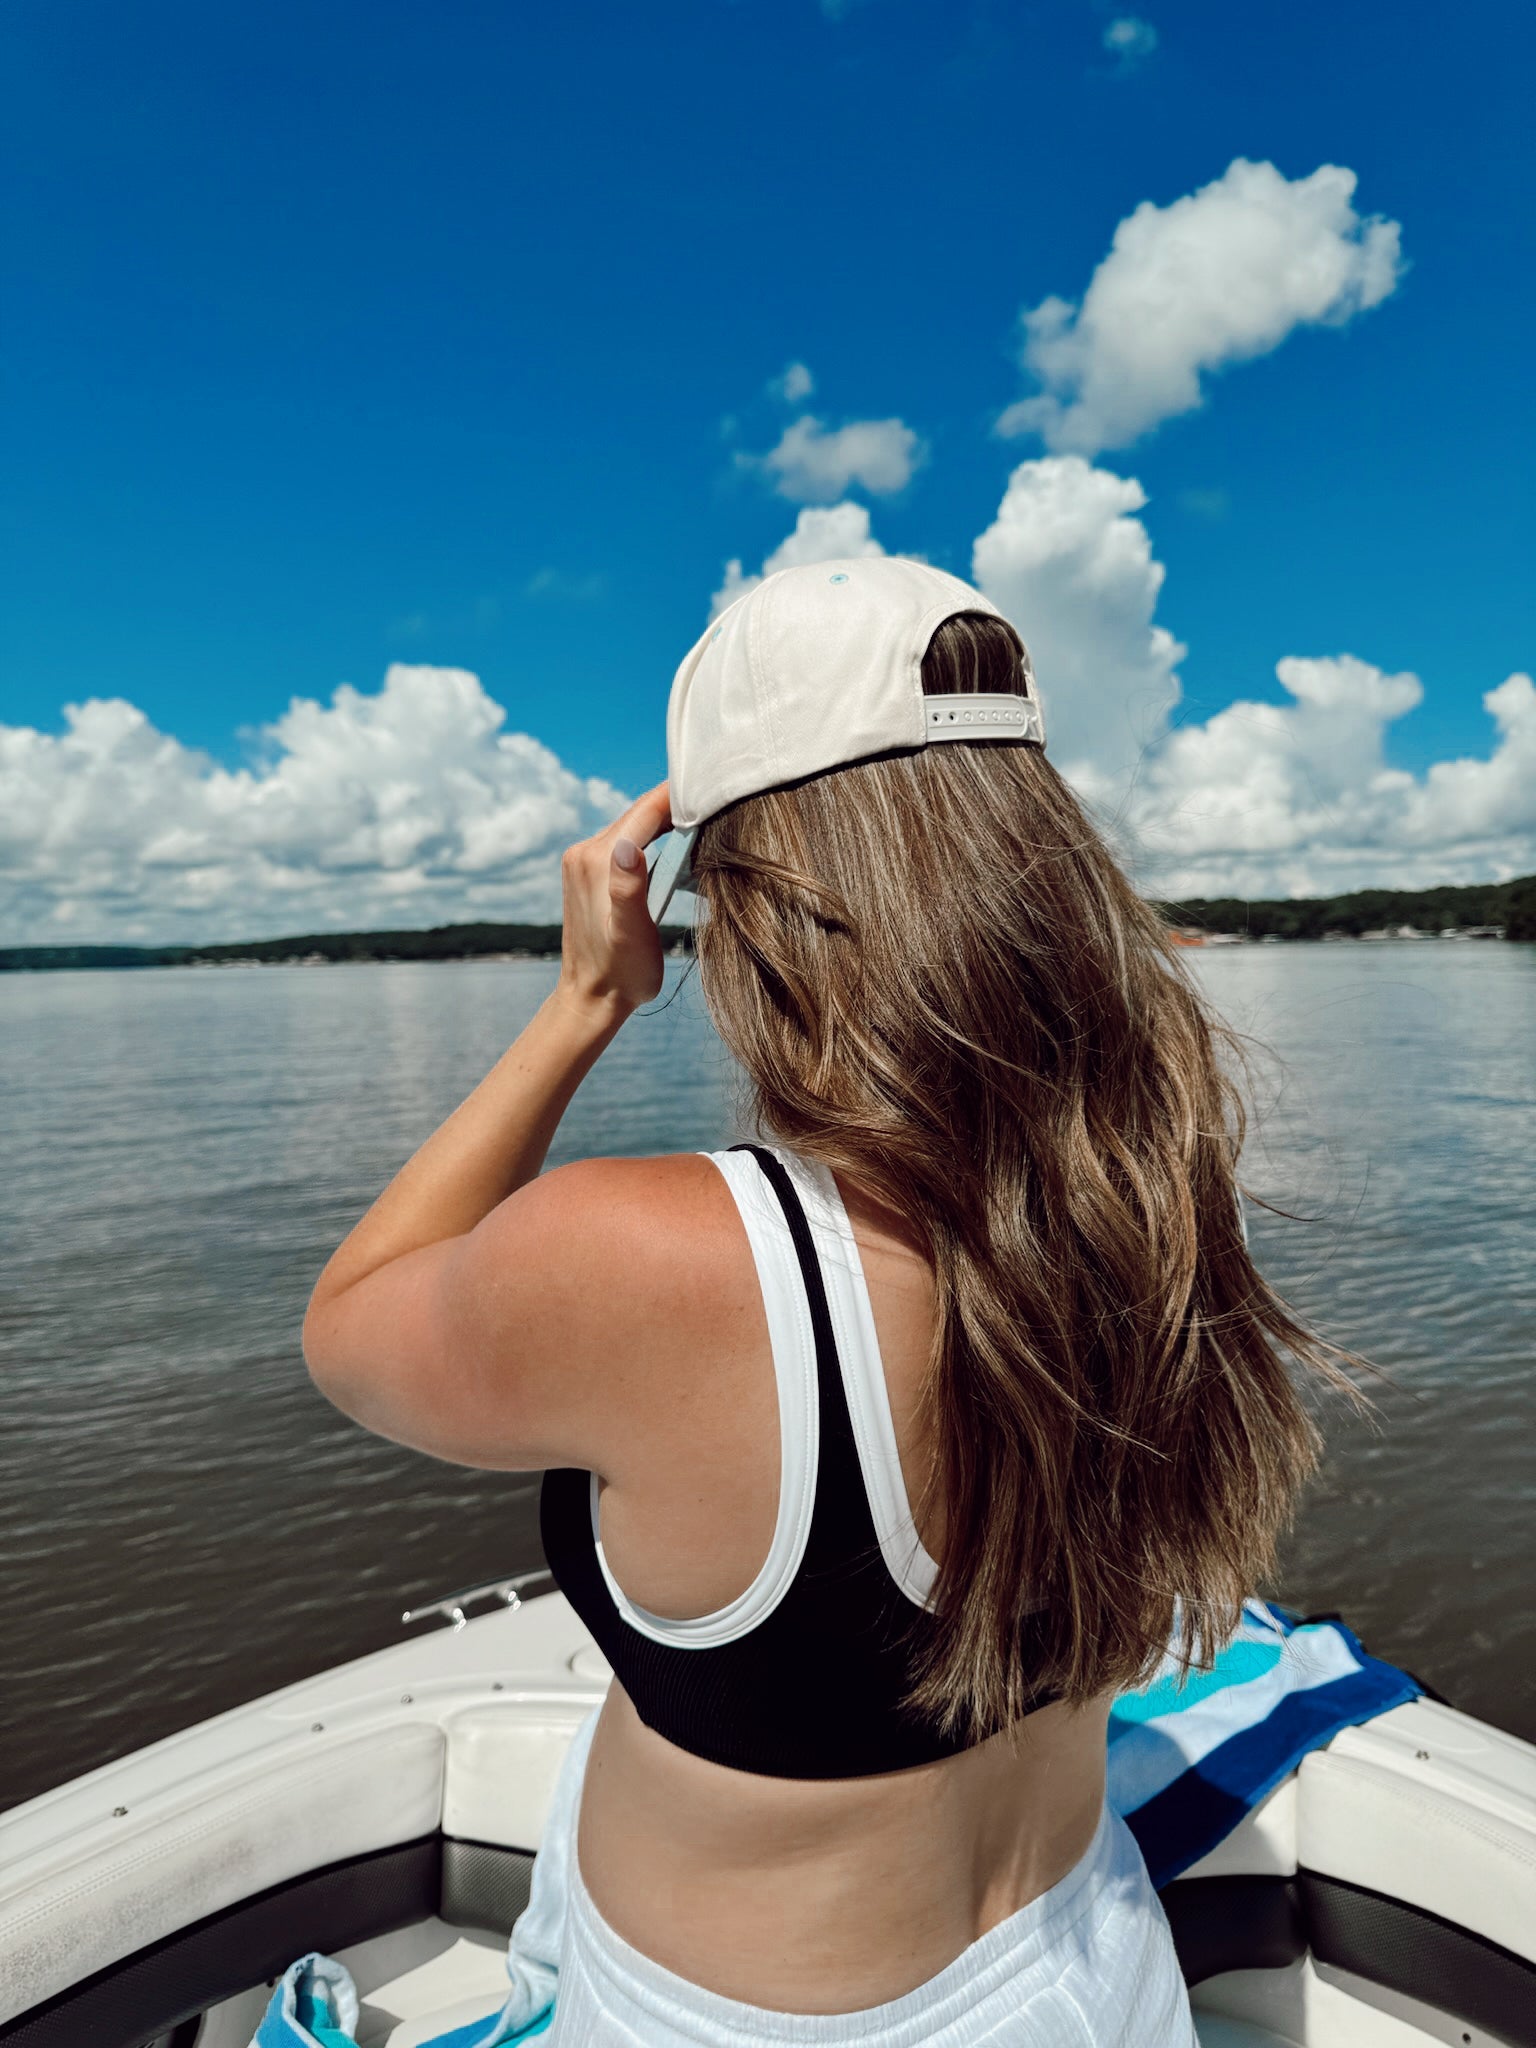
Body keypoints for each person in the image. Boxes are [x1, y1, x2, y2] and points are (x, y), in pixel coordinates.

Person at [304, 559, 1334, 2045]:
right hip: (1093, 1964)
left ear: (750, 902)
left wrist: (585, 1002)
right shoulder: (1148, 1200)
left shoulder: (659, 1257)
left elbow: (353, 1324)